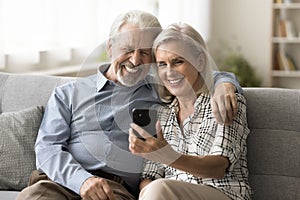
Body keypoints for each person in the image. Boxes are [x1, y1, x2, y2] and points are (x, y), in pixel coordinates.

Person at [16, 11, 242, 200]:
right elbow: (47, 148)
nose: (135, 61)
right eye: (127, 49)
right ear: (111, 47)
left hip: (115, 189)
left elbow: (198, 73)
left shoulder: (160, 90)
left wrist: (225, 83)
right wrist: (83, 181)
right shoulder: (68, 93)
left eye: (145, 53)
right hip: (60, 182)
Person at [129, 22, 252, 200]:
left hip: (223, 194)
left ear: (200, 61)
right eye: (162, 64)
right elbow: (150, 176)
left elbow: (218, 168)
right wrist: (148, 187)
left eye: (177, 62)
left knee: (159, 189)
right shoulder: (162, 116)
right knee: (154, 188)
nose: (169, 72)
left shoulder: (223, 101)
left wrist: (169, 156)